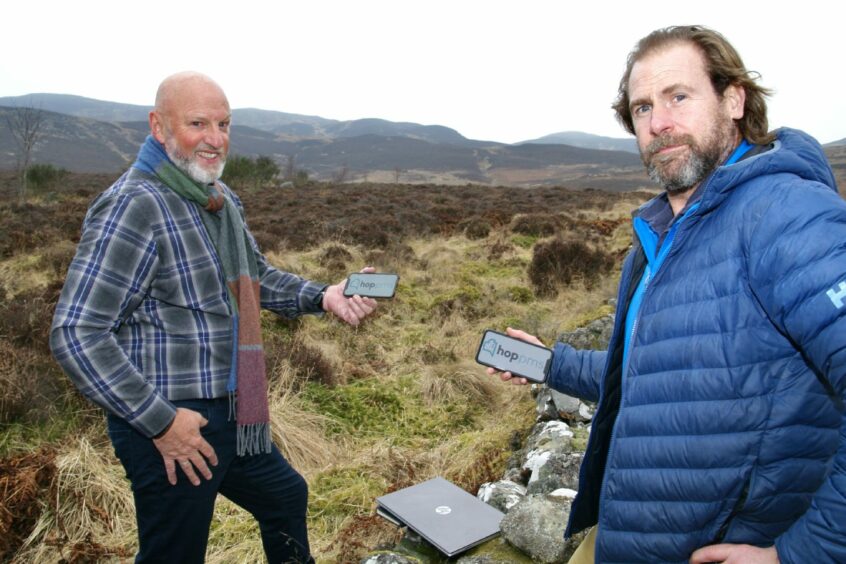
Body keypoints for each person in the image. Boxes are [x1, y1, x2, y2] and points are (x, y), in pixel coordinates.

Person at [490, 26, 845, 563]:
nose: (659, 123)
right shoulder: (658, 237)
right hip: (627, 537)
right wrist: (548, 363)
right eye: (641, 108)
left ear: (733, 99)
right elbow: (654, 374)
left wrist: (800, 554)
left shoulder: (787, 215)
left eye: (679, 96)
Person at [49, 71, 377, 563]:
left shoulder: (219, 202)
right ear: (158, 127)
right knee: (175, 553)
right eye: (198, 123)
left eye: (224, 124)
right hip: (170, 423)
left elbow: (254, 278)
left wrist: (324, 296)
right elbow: (77, 333)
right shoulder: (135, 205)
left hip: (232, 412)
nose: (215, 139)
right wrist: (161, 423)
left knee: (285, 496)